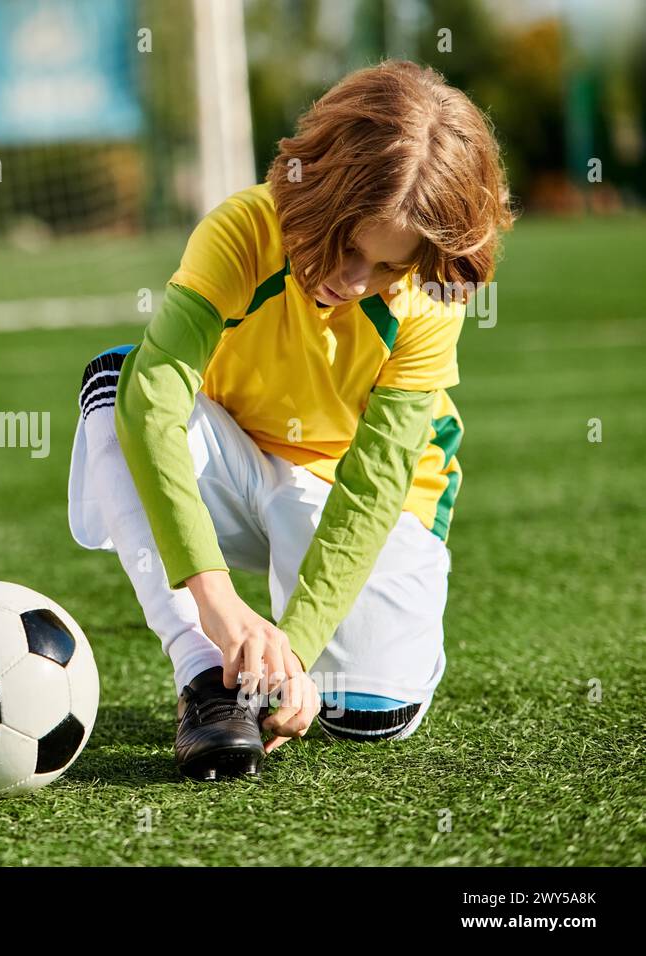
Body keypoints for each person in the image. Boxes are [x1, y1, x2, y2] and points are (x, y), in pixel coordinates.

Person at [67, 61, 513, 780]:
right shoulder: (244, 229)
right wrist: (215, 605)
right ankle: (204, 674)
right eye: (347, 244)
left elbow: (372, 490)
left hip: (350, 502)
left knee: (363, 716)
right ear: (321, 190)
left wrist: (294, 649)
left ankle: (301, 651)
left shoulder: (430, 300)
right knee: (117, 385)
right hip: (236, 468)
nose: (354, 280)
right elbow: (155, 398)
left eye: (385, 267)